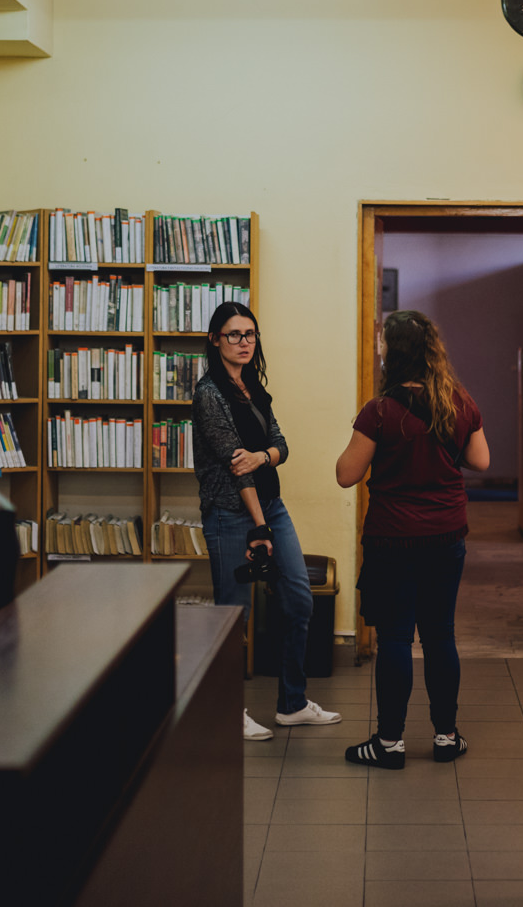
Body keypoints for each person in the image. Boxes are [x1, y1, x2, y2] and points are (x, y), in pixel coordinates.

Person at [334, 310, 491, 769]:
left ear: (392, 354)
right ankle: (446, 737)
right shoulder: (460, 403)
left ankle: (389, 744)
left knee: (396, 638)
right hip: (446, 537)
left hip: (394, 540)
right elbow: (481, 461)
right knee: (441, 634)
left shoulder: (379, 412)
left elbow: (346, 475)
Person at [194, 301, 340, 741]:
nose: (244, 342)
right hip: (231, 513)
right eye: (234, 334)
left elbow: (280, 445)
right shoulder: (210, 394)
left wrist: (264, 455)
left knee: (299, 598)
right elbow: (236, 468)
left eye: (250, 334)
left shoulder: (253, 387)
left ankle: (292, 704)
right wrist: (259, 528)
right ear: (215, 340)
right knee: (233, 615)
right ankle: (225, 711)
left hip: (270, 506)